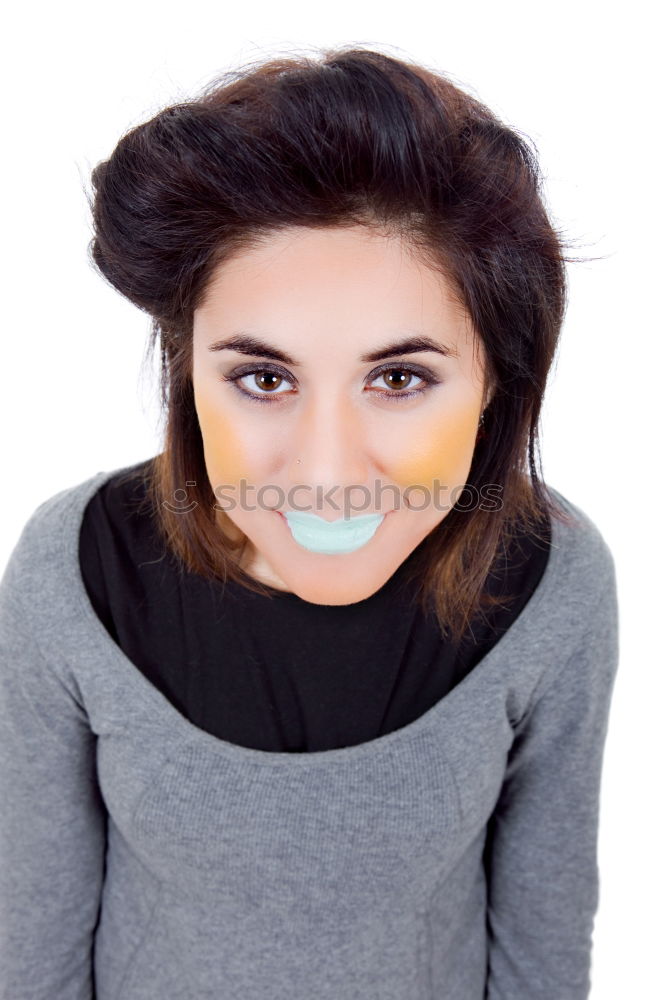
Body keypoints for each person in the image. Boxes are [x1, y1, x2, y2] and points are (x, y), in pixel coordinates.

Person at [0, 46, 619, 999]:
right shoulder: (75, 570)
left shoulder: (554, 581)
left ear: (498, 380)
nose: (326, 475)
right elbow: (30, 942)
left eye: (399, 378)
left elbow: (543, 935)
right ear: (187, 371)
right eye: (263, 378)